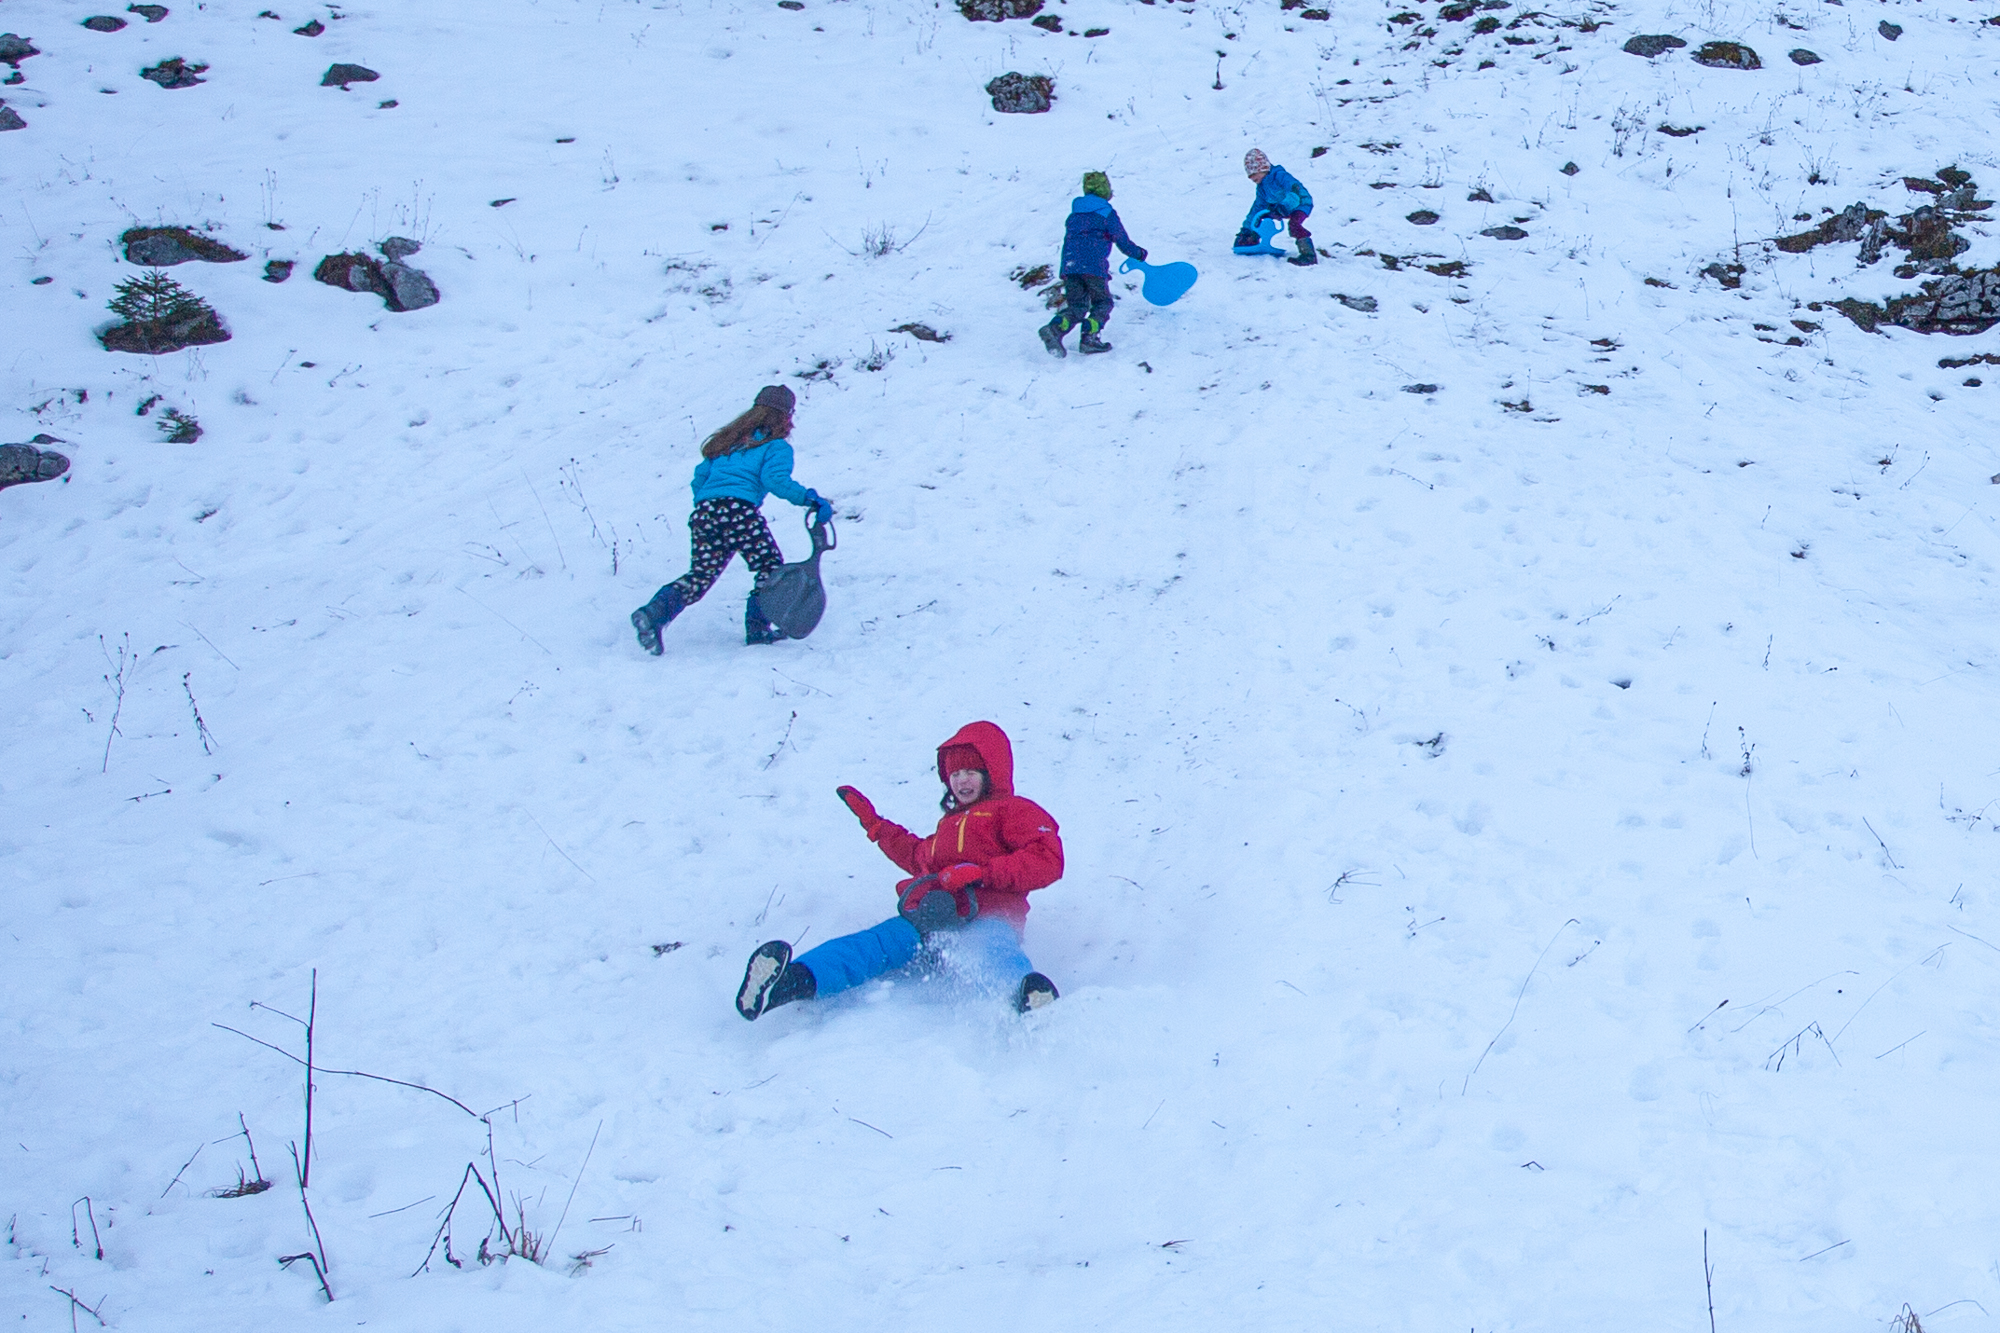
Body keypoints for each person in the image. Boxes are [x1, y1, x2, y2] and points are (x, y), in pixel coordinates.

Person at [736, 721, 1065, 1019]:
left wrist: (981, 873)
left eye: (970, 771)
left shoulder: (1013, 811)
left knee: (992, 949)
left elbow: (1046, 859)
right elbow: (918, 856)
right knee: (874, 944)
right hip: (933, 917)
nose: (961, 780)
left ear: (991, 771)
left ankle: (1029, 1001)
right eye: (954, 774)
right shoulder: (949, 826)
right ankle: (788, 983)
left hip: (988, 916)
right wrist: (877, 826)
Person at [630, 385, 833, 652]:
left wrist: (711, 506)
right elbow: (775, 480)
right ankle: (758, 630)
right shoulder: (775, 447)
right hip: (740, 512)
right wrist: (810, 499)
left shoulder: (724, 445)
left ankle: (654, 613)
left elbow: (699, 480)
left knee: (700, 575)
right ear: (786, 416)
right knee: (769, 569)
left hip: (705, 513)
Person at [1039, 170, 1148, 358]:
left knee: (1077, 306)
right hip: (1093, 267)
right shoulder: (1106, 213)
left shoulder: (1075, 214)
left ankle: (1055, 328)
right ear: (1106, 190)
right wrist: (1138, 253)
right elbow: (1121, 240)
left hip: (1071, 266)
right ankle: (1090, 338)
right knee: (1102, 302)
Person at [1238, 148, 1317, 267]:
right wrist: (1246, 229)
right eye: (1249, 175)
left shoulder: (1280, 176)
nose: (1251, 178)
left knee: (1294, 225)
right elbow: (1257, 208)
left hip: (1301, 203)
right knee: (1261, 217)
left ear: (1263, 169)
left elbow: (1294, 192)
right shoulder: (1262, 187)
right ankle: (1251, 238)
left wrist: (1283, 208)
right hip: (1280, 207)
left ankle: (1309, 256)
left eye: (1254, 173)